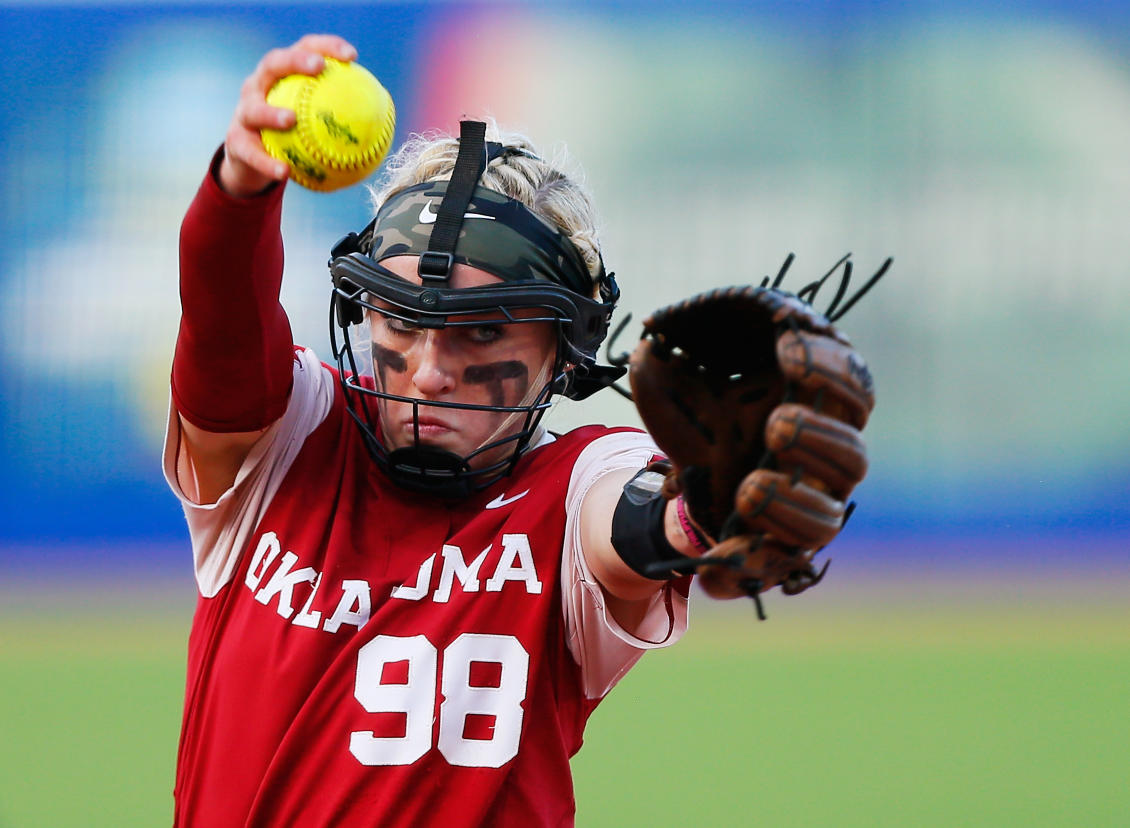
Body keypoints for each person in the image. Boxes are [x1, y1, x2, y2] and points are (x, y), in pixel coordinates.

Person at [165, 33, 725, 827]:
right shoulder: (285, 446)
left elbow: (637, 519)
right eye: (399, 319)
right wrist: (239, 190)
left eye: (483, 331)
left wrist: (713, 499)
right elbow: (221, 327)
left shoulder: (572, 490)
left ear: (562, 356)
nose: (428, 371)